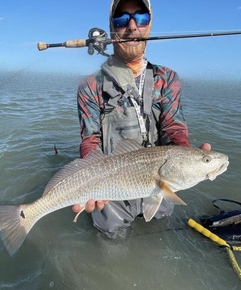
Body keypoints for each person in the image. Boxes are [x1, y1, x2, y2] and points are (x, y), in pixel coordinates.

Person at [73, 0, 211, 233]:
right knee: (112, 245)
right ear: (112, 27)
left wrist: (188, 160)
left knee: (157, 239)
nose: (132, 26)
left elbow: (174, 128)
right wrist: (91, 183)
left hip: (160, 182)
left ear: (149, 25)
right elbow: (90, 141)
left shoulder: (167, 78)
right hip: (111, 190)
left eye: (141, 18)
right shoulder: (90, 86)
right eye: (122, 19)